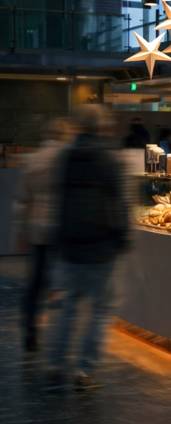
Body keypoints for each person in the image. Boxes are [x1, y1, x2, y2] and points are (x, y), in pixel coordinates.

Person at [48, 105, 130, 390]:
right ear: (101, 126)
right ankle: (84, 370)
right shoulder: (110, 158)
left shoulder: (65, 156)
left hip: (70, 243)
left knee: (68, 306)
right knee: (100, 310)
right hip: (102, 245)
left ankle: (55, 361)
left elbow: (57, 199)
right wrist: (124, 238)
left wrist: (58, 237)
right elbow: (121, 202)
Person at [14, 118, 73, 352]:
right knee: (62, 282)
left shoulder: (33, 158)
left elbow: (23, 200)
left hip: (37, 228)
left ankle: (30, 330)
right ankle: (60, 337)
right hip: (61, 228)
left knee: (36, 281)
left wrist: (20, 229)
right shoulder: (67, 158)